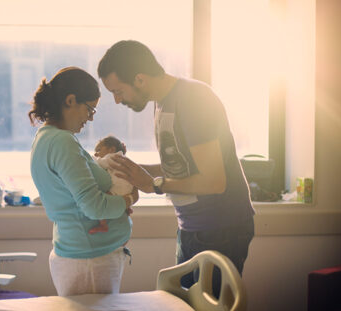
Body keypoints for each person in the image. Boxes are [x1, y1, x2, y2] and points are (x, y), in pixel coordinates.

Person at [97, 40, 255, 295]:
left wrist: (153, 184)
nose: (116, 100)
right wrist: (135, 171)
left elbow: (214, 181)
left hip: (220, 228)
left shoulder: (193, 99)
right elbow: (183, 164)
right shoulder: (163, 103)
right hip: (192, 227)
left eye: (118, 91)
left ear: (139, 79)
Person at [29, 66, 139, 296]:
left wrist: (117, 206)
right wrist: (128, 199)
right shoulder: (62, 142)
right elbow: (93, 206)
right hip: (89, 261)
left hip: (86, 256)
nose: (90, 118)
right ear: (70, 100)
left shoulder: (47, 137)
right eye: (90, 109)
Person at [89, 135, 133, 234]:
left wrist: (90, 159)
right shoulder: (121, 157)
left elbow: (100, 163)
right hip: (127, 188)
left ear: (112, 149)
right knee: (118, 201)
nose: (96, 153)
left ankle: (103, 224)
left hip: (119, 187)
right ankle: (125, 208)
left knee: (102, 202)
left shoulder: (112, 157)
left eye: (99, 150)